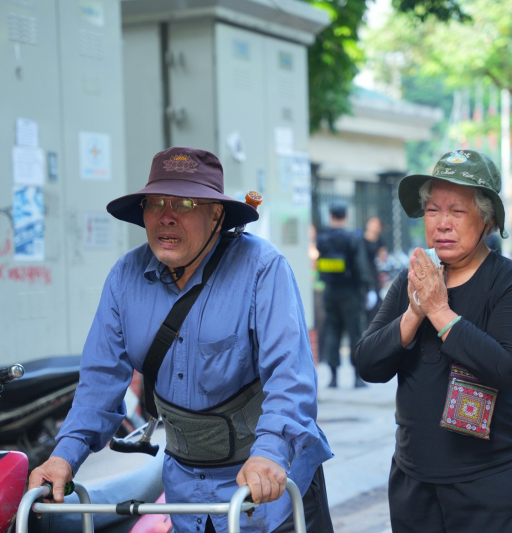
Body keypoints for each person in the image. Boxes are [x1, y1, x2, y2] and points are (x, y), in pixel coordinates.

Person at [28, 147, 334, 533]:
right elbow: (99, 384)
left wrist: (270, 454)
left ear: (217, 214)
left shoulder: (262, 268)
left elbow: (290, 379)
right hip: (186, 491)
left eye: (185, 203)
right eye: (155, 203)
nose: (166, 216)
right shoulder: (126, 276)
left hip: (268, 488)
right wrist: (63, 456)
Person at [354, 150, 512, 532]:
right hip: (415, 479)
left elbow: (508, 367)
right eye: (432, 211)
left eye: (457, 212)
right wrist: (413, 313)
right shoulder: (414, 280)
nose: (442, 224)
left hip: (494, 480)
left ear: (487, 219)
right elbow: (367, 363)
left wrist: (440, 311)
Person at [316, 202, 373, 388]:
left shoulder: (323, 239)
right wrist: (366, 288)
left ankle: (333, 378)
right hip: (350, 293)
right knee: (355, 331)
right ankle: (357, 378)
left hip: (330, 291)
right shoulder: (352, 238)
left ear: (330, 216)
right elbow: (360, 266)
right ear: (346, 216)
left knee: (333, 331)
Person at [363, 216, 387, 323]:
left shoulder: (379, 241)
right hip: (363, 270)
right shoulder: (361, 239)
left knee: (375, 298)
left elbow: (383, 256)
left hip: (373, 271)